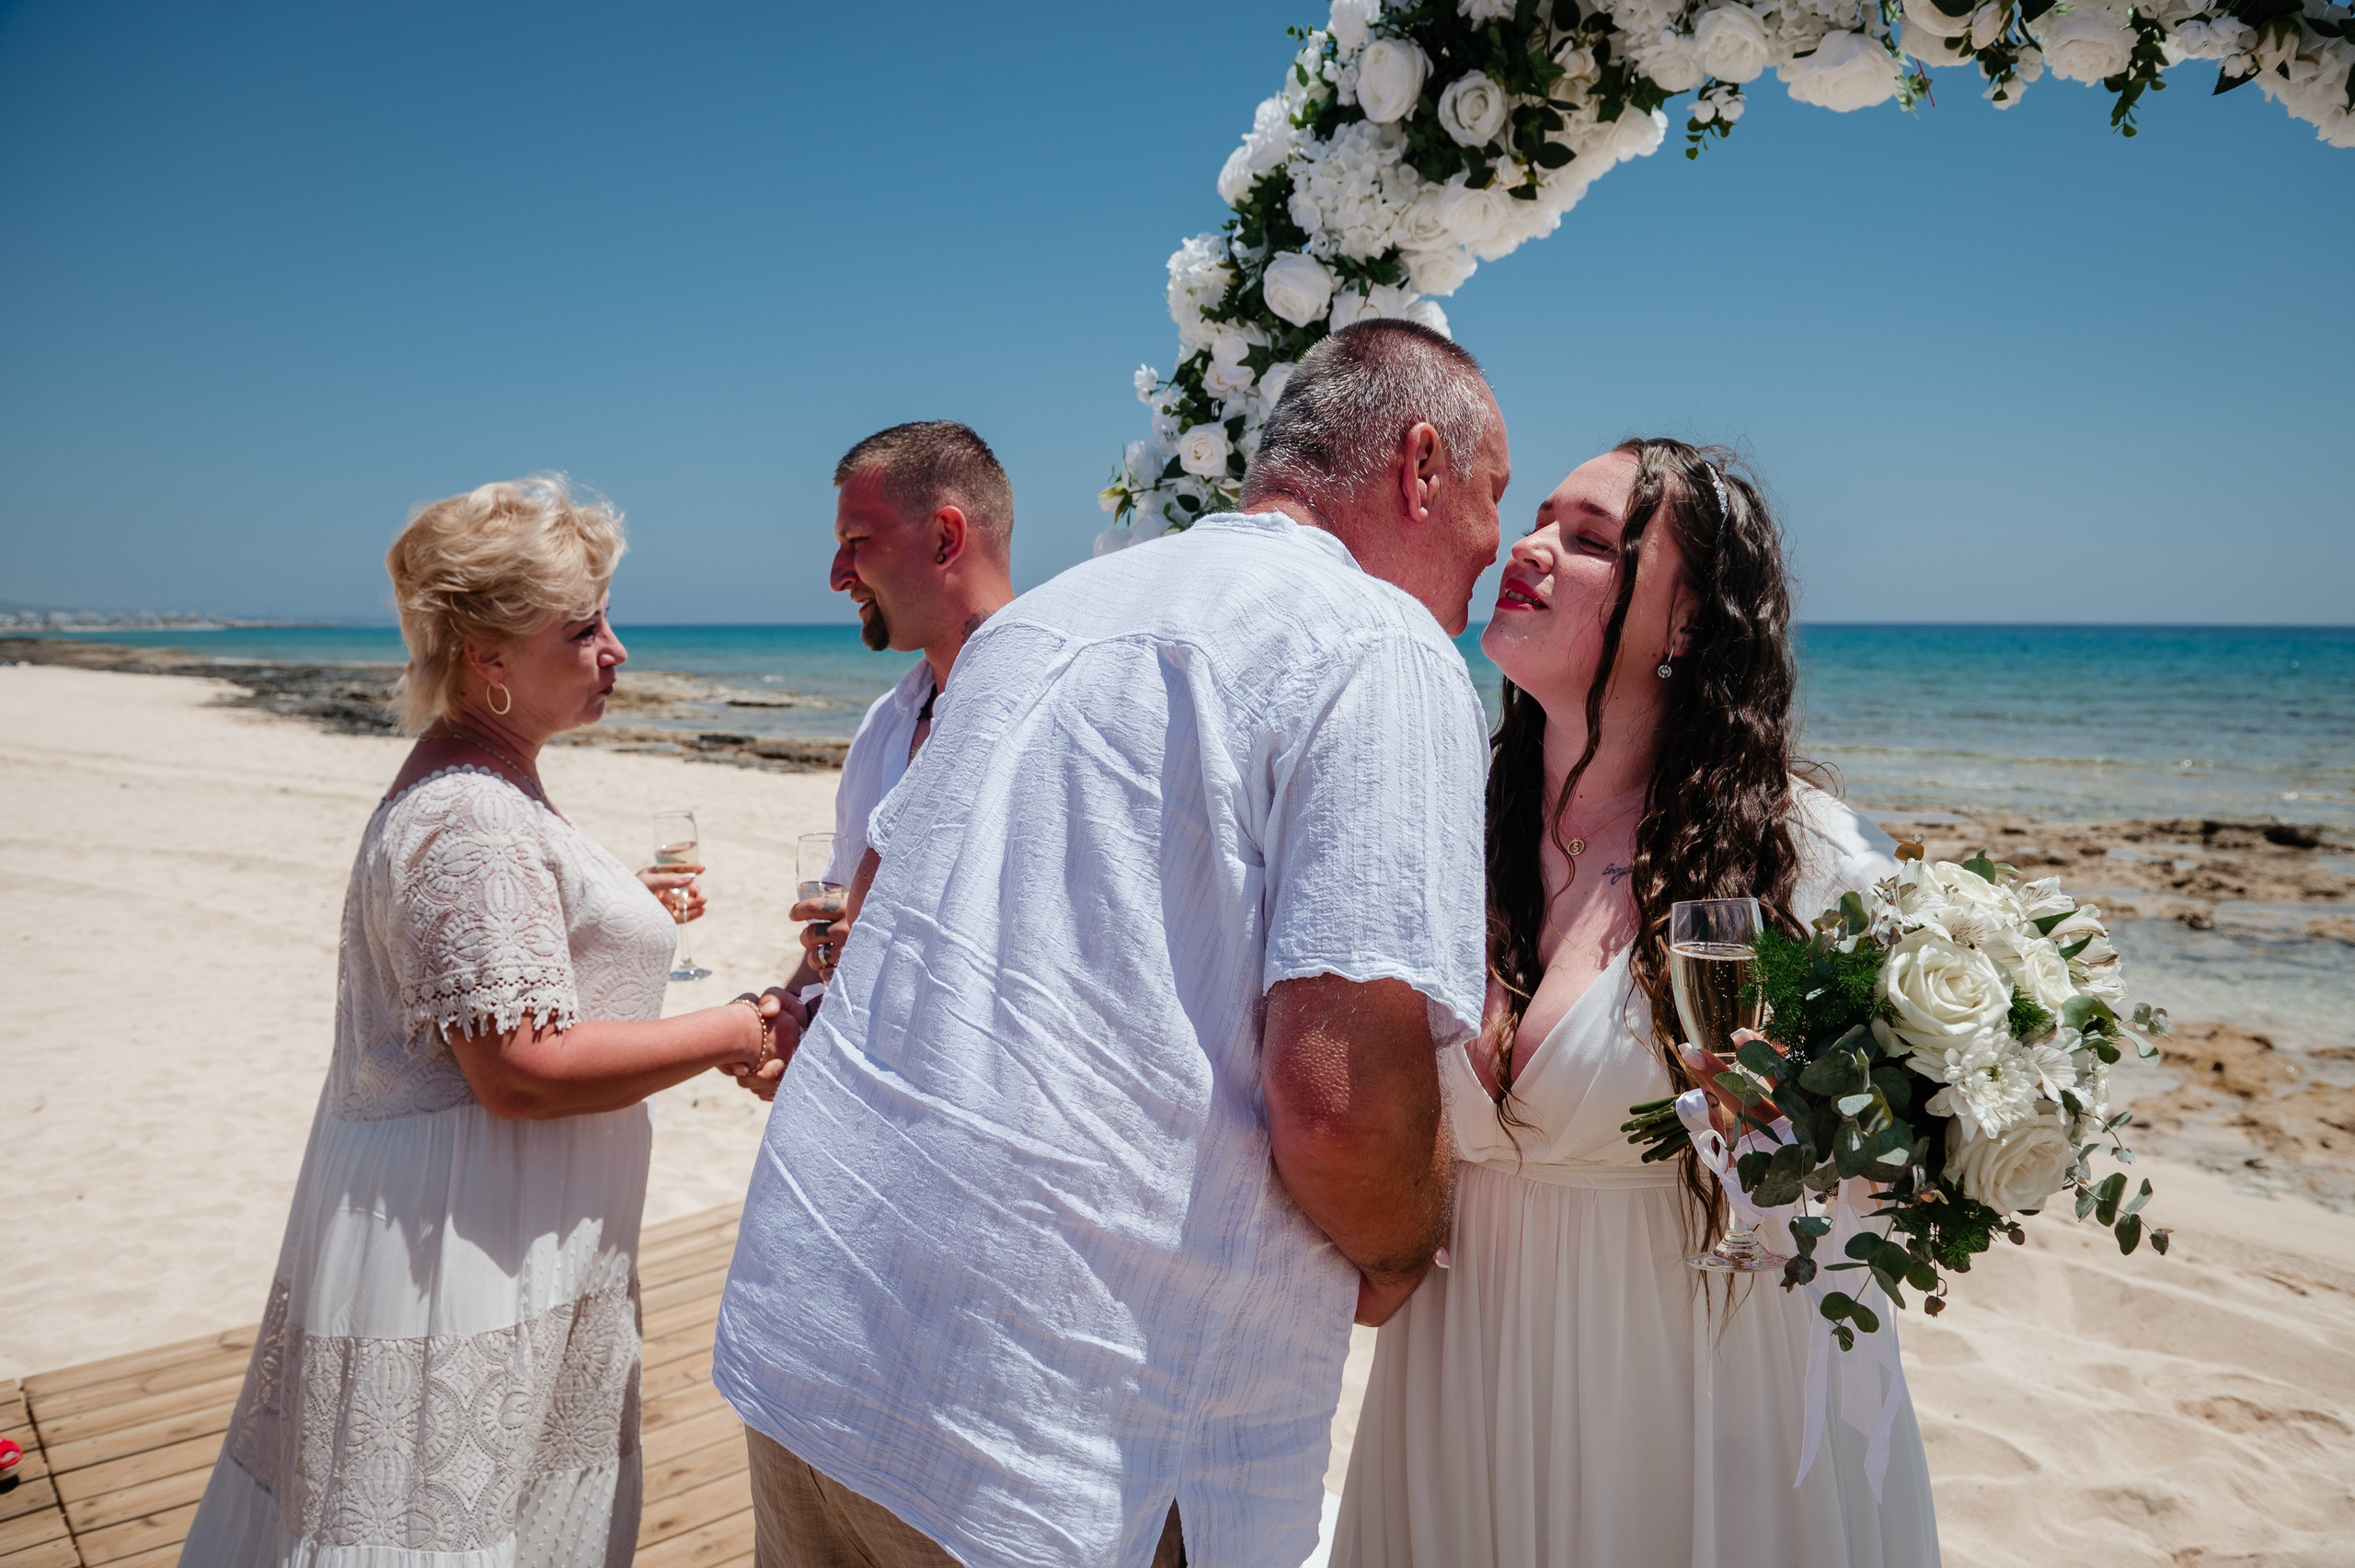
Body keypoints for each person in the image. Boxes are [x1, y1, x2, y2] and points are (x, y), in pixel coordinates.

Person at [711, 319, 1509, 1568]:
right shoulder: (1377, 644)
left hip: (814, 1327)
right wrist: (1405, 1246)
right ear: (1420, 465)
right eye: (1491, 492)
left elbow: (892, 918)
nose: (1494, 544)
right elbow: (1339, 1100)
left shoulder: (1045, 621)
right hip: (1043, 1432)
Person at [1331, 441, 1941, 1566]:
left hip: (1682, 1390)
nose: (1529, 548)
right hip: (1457, 1379)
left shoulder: (1796, 860)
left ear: (1688, 625)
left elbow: (1906, 1161)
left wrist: (1801, 1129)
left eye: (1590, 540)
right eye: (1537, 519)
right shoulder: (1443, 819)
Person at [183, 475, 797, 1567]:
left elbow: (499, 974)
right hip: (469, 1246)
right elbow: (517, 1070)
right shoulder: (470, 814)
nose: (616, 650)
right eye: (583, 628)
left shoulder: (485, 784)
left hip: (504, 1225)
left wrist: (617, 916)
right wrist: (741, 1027)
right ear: (488, 656)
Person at [764, 421, 1017, 1030]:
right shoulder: (884, 722)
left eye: (856, 540)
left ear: (944, 538)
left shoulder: (1063, 713)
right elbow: (843, 924)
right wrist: (793, 1015)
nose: (837, 574)